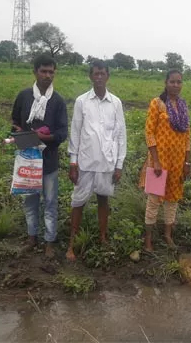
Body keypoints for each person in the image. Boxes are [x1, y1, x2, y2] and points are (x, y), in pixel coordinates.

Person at [66, 61, 126, 262]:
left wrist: (119, 165)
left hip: (107, 163)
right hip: (85, 161)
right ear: (91, 77)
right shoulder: (82, 102)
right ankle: (71, 244)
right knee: (78, 202)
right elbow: (75, 132)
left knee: (103, 200)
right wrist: (73, 162)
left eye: (102, 74)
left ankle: (102, 237)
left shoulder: (115, 103)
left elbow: (120, 135)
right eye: (96, 74)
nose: (99, 77)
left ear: (108, 76)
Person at [11, 53, 68, 258]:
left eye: (51, 72)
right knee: (30, 200)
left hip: (49, 160)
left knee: (50, 202)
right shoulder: (24, 96)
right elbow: (15, 122)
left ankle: (49, 241)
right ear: (35, 72)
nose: (47, 75)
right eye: (43, 71)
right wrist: (21, 133)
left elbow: (62, 133)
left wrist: (44, 137)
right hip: (27, 157)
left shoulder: (58, 101)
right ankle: (31, 237)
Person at [140, 70, 191, 252]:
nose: (176, 85)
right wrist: (156, 161)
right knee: (154, 200)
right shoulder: (157, 103)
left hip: (178, 162)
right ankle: (148, 240)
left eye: (179, 82)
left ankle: (168, 235)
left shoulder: (183, 105)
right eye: (172, 82)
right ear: (166, 82)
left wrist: (187, 162)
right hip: (158, 162)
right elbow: (149, 133)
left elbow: (186, 137)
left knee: (173, 199)